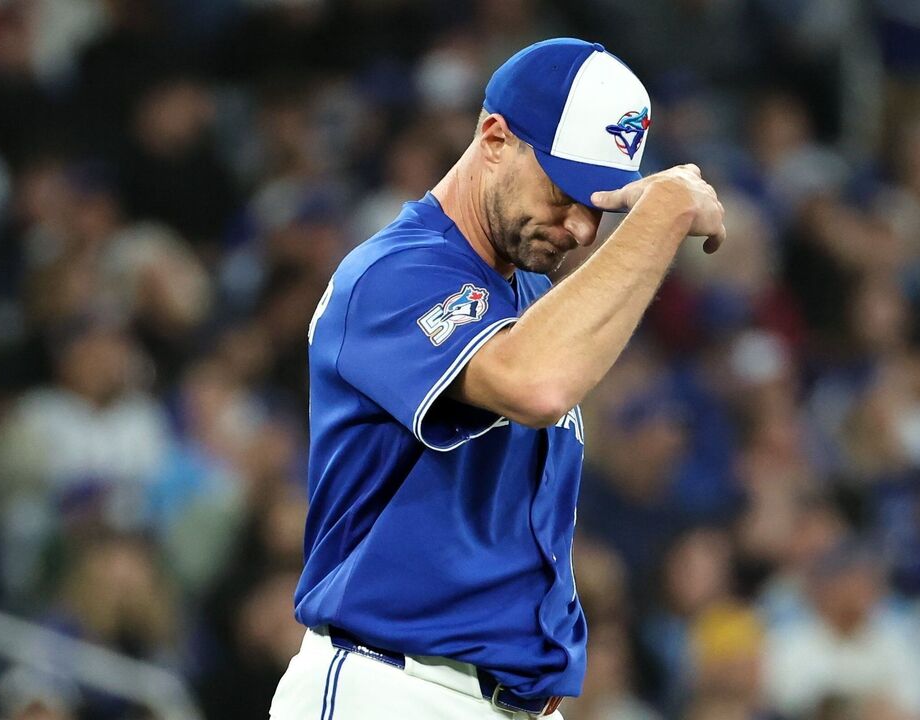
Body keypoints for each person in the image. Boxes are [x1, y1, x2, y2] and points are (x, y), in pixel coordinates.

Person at [269, 38, 725, 719]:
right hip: (393, 686)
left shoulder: (534, 296)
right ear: (494, 138)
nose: (582, 228)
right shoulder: (394, 271)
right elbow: (534, 385)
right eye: (565, 190)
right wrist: (662, 214)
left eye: (602, 205)